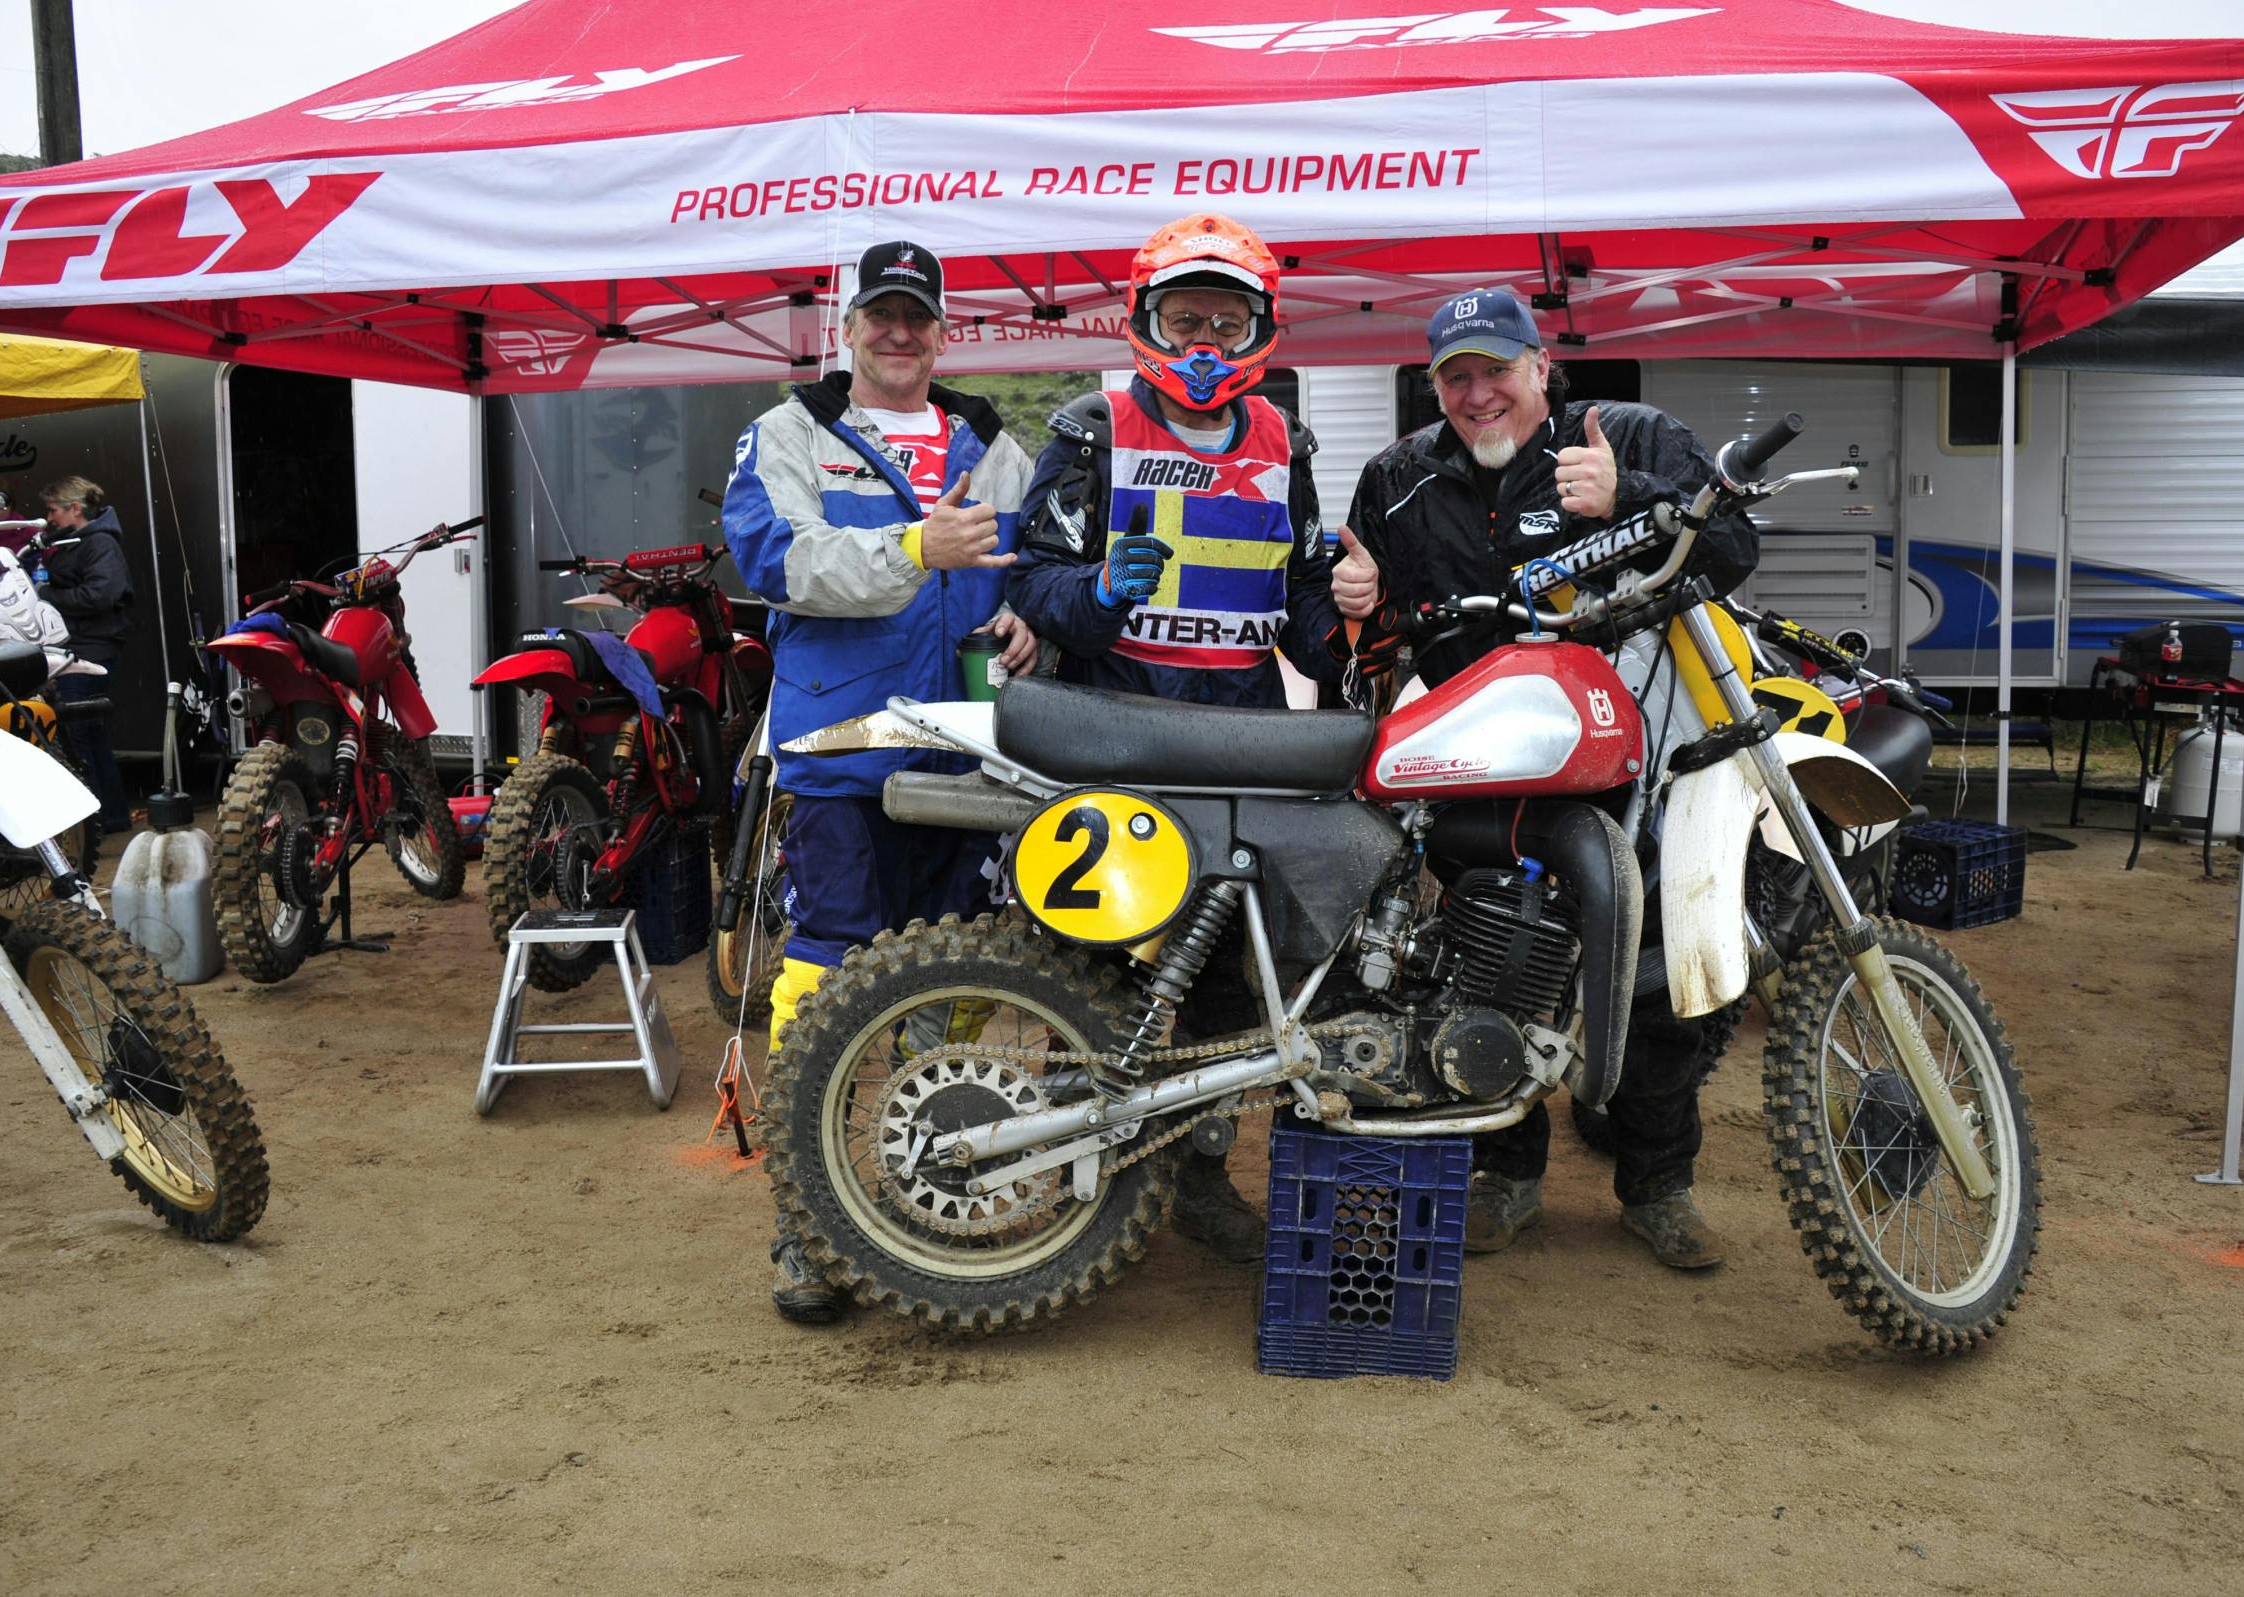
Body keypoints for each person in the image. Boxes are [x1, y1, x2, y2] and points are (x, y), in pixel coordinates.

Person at [1323, 287, 1760, 1270]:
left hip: (1643, 755)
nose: (1479, 395)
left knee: (1657, 984)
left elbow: (1733, 548)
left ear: (1540, 365)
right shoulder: (1396, 477)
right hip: (1490, 772)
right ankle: (1508, 1176)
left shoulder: (1632, 436)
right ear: (1436, 386)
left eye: (1496, 370)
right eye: (1456, 377)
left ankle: (1658, 1186)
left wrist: (1630, 499)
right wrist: (1351, 608)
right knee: (1486, 968)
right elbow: (1352, 638)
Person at [1006, 212, 1338, 1262]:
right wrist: (1097, 592)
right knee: (1092, 948)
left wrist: (1353, 608)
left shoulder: (1289, 445)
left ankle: (1197, 1173)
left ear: (1259, 331)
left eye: (1225, 322)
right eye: (1183, 318)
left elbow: (1308, 613)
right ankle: (1078, 1171)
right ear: (1146, 319)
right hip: (1111, 721)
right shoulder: (1091, 430)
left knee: (1230, 967)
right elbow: (1030, 582)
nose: (1203, 343)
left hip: (1240, 728)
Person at [724, 239, 1038, 1325]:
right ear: (847, 328)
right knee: (824, 977)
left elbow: (1035, 565)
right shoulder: (788, 433)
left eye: (919, 318)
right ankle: (808, 1217)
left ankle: (926, 1192)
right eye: (881, 316)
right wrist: (915, 547)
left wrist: (1028, 619)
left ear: (943, 332)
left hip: (965, 751)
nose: (899, 335)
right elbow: (773, 563)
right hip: (841, 752)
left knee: (950, 980)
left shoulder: (997, 447)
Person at [34, 475, 133, 834]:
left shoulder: (100, 545)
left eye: (53, 510)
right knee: (88, 736)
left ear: (75, 508)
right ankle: (110, 817)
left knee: (82, 735)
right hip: (77, 648)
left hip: (89, 650)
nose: (48, 517)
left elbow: (101, 596)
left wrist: (45, 595)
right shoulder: (72, 543)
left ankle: (98, 819)